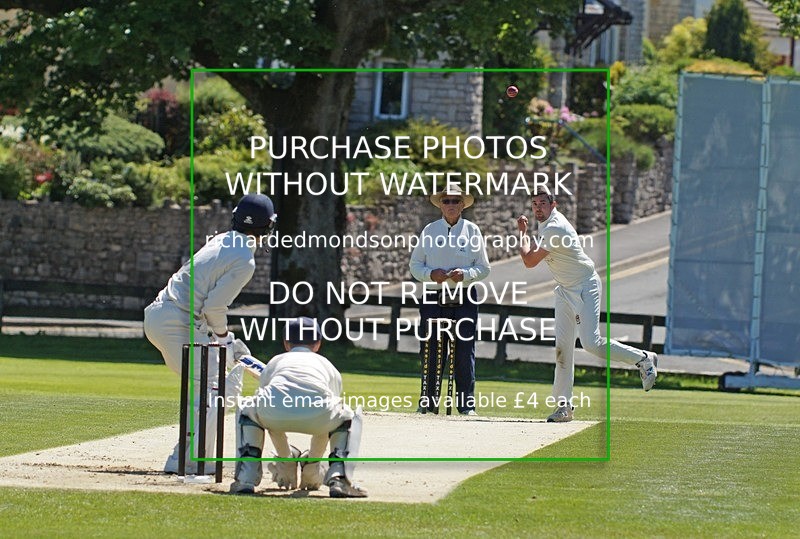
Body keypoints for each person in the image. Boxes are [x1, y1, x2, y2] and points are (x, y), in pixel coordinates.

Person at [144, 193, 277, 473]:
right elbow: (214, 306)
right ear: (267, 227)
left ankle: (190, 456)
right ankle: (188, 460)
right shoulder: (245, 260)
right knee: (216, 387)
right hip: (177, 322)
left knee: (209, 385)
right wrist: (224, 338)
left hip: (161, 314)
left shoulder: (222, 239)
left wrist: (225, 341)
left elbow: (203, 301)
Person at [517, 192, 658, 422]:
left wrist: (522, 233)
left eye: (543, 203)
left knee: (591, 343)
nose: (538, 208)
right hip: (564, 290)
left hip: (584, 285)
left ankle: (643, 359)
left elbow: (529, 261)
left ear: (554, 204)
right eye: (534, 204)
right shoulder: (545, 224)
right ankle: (564, 407)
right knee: (563, 349)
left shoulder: (555, 227)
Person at [230, 317, 367, 498]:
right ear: (318, 344)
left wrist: (285, 459)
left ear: (286, 343)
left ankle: (246, 478)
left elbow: (268, 400)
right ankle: (338, 479)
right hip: (320, 417)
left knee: (251, 408)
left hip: (273, 415)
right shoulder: (327, 364)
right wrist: (314, 460)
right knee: (346, 416)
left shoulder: (277, 360)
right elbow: (330, 408)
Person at [409, 185, 490, 415]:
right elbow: (415, 265)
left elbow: (483, 268)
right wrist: (430, 275)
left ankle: (466, 406)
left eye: (456, 201)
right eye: (447, 201)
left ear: (463, 204)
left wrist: (466, 275)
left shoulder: (472, 231)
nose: (451, 205)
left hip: (464, 296)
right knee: (432, 349)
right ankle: (428, 404)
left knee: (464, 351)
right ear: (441, 205)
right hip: (434, 296)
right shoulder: (430, 230)